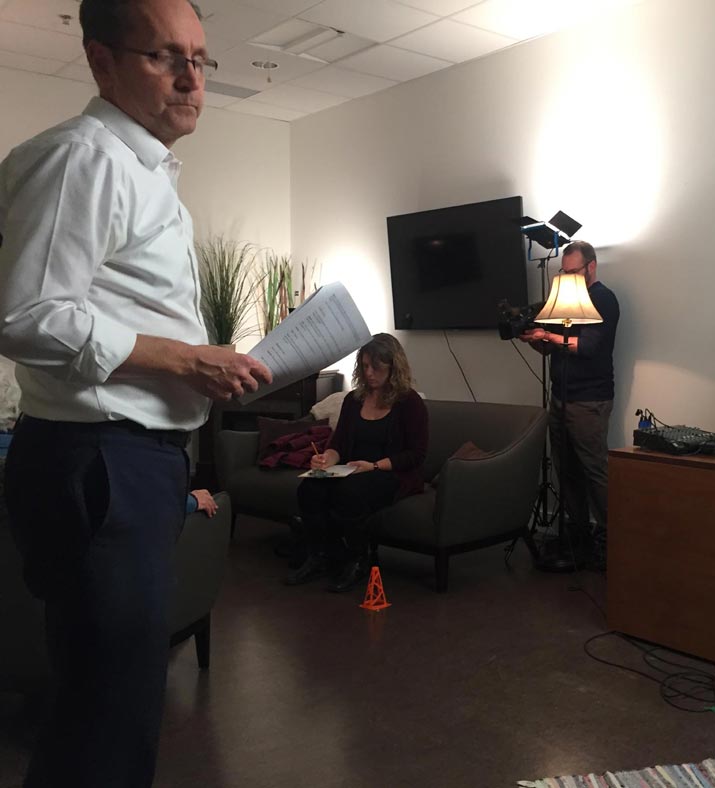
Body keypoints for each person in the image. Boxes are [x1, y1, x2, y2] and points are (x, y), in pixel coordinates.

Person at [0, 1, 272, 785]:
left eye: (200, 58)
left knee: (106, 708)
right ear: (101, 61)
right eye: (164, 57)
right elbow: (25, 315)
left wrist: (199, 369)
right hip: (99, 461)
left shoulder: (145, 172)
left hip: (131, 460)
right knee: (107, 717)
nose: (191, 79)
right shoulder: (85, 158)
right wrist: (186, 363)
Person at [287, 333, 428, 593]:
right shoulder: (354, 401)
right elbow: (338, 444)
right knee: (309, 488)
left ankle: (358, 560)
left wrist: (374, 466)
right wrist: (326, 458)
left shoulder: (409, 403)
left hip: (391, 472)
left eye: (376, 367)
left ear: (393, 368)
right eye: (364, 366)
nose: (370, 373)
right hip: (352, 469)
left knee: (350, 492)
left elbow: (416, 455)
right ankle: (319, 555)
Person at [520, 240, 619, 569]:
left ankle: (611, 539)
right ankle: (579, 536)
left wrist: (549, 337)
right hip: (561, 396)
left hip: (590, 399)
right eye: (563, 271)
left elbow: (588, 347)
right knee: (567, 470)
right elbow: (552, 350)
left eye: (573, 271)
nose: (568, 277)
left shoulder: (603, 298)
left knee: (594, 471)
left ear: (591, 267)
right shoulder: (563, 299)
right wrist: (535, 338)